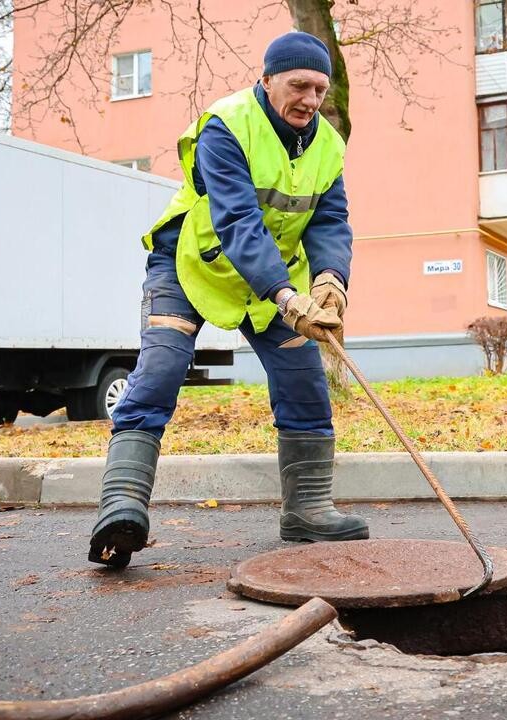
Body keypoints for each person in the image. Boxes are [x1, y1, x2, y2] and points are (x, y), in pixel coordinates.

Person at [88, 32, 368, 568]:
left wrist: (331, 280)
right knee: (162, 369)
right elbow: (237, 219)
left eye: (319, 88)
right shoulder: (226, 124)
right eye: (298, 85)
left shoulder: (329, 144)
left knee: (304, 382)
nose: (310, 99)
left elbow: (330, 219)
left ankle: (307, 511)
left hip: (267, 279)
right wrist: (287, 294)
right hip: (193, 261)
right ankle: (121, 508)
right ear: (266, 81)